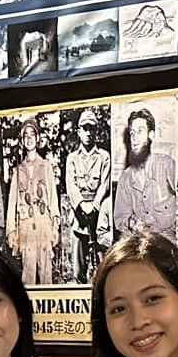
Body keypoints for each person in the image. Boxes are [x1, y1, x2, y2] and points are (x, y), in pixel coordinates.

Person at [115, 108, 178, 241]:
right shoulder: (126, 177)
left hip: (166, 241)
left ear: (151, 135)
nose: (135, 138)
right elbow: (120, 219)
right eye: (132, 133)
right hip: (140, 241)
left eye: (140, 131)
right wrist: (130, 223)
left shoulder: (167, 165)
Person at [9, 118, 60, 284]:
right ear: (22, 141)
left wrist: (55, 226)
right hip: (25, 228)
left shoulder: (46, 166)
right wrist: (12, 231)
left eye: (32, 134)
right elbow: (12, 203)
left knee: (46, 275)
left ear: (38, 138)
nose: (29, 138)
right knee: (27, 276)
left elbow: (53, 199)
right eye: (26, 136)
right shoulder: (18, 171)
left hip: (44, 225)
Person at [66, 109, 115, 283]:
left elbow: (104, 184)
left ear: (96, 132)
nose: (88, 133)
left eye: (91, 129)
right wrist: (82, 205)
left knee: (103, 268)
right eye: (84, 128)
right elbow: (71, 185)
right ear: (78, 131)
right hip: (78, 219)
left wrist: (94, 206)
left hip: (99, 217)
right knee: (78, 270)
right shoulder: (72, 158)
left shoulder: (104, 157)